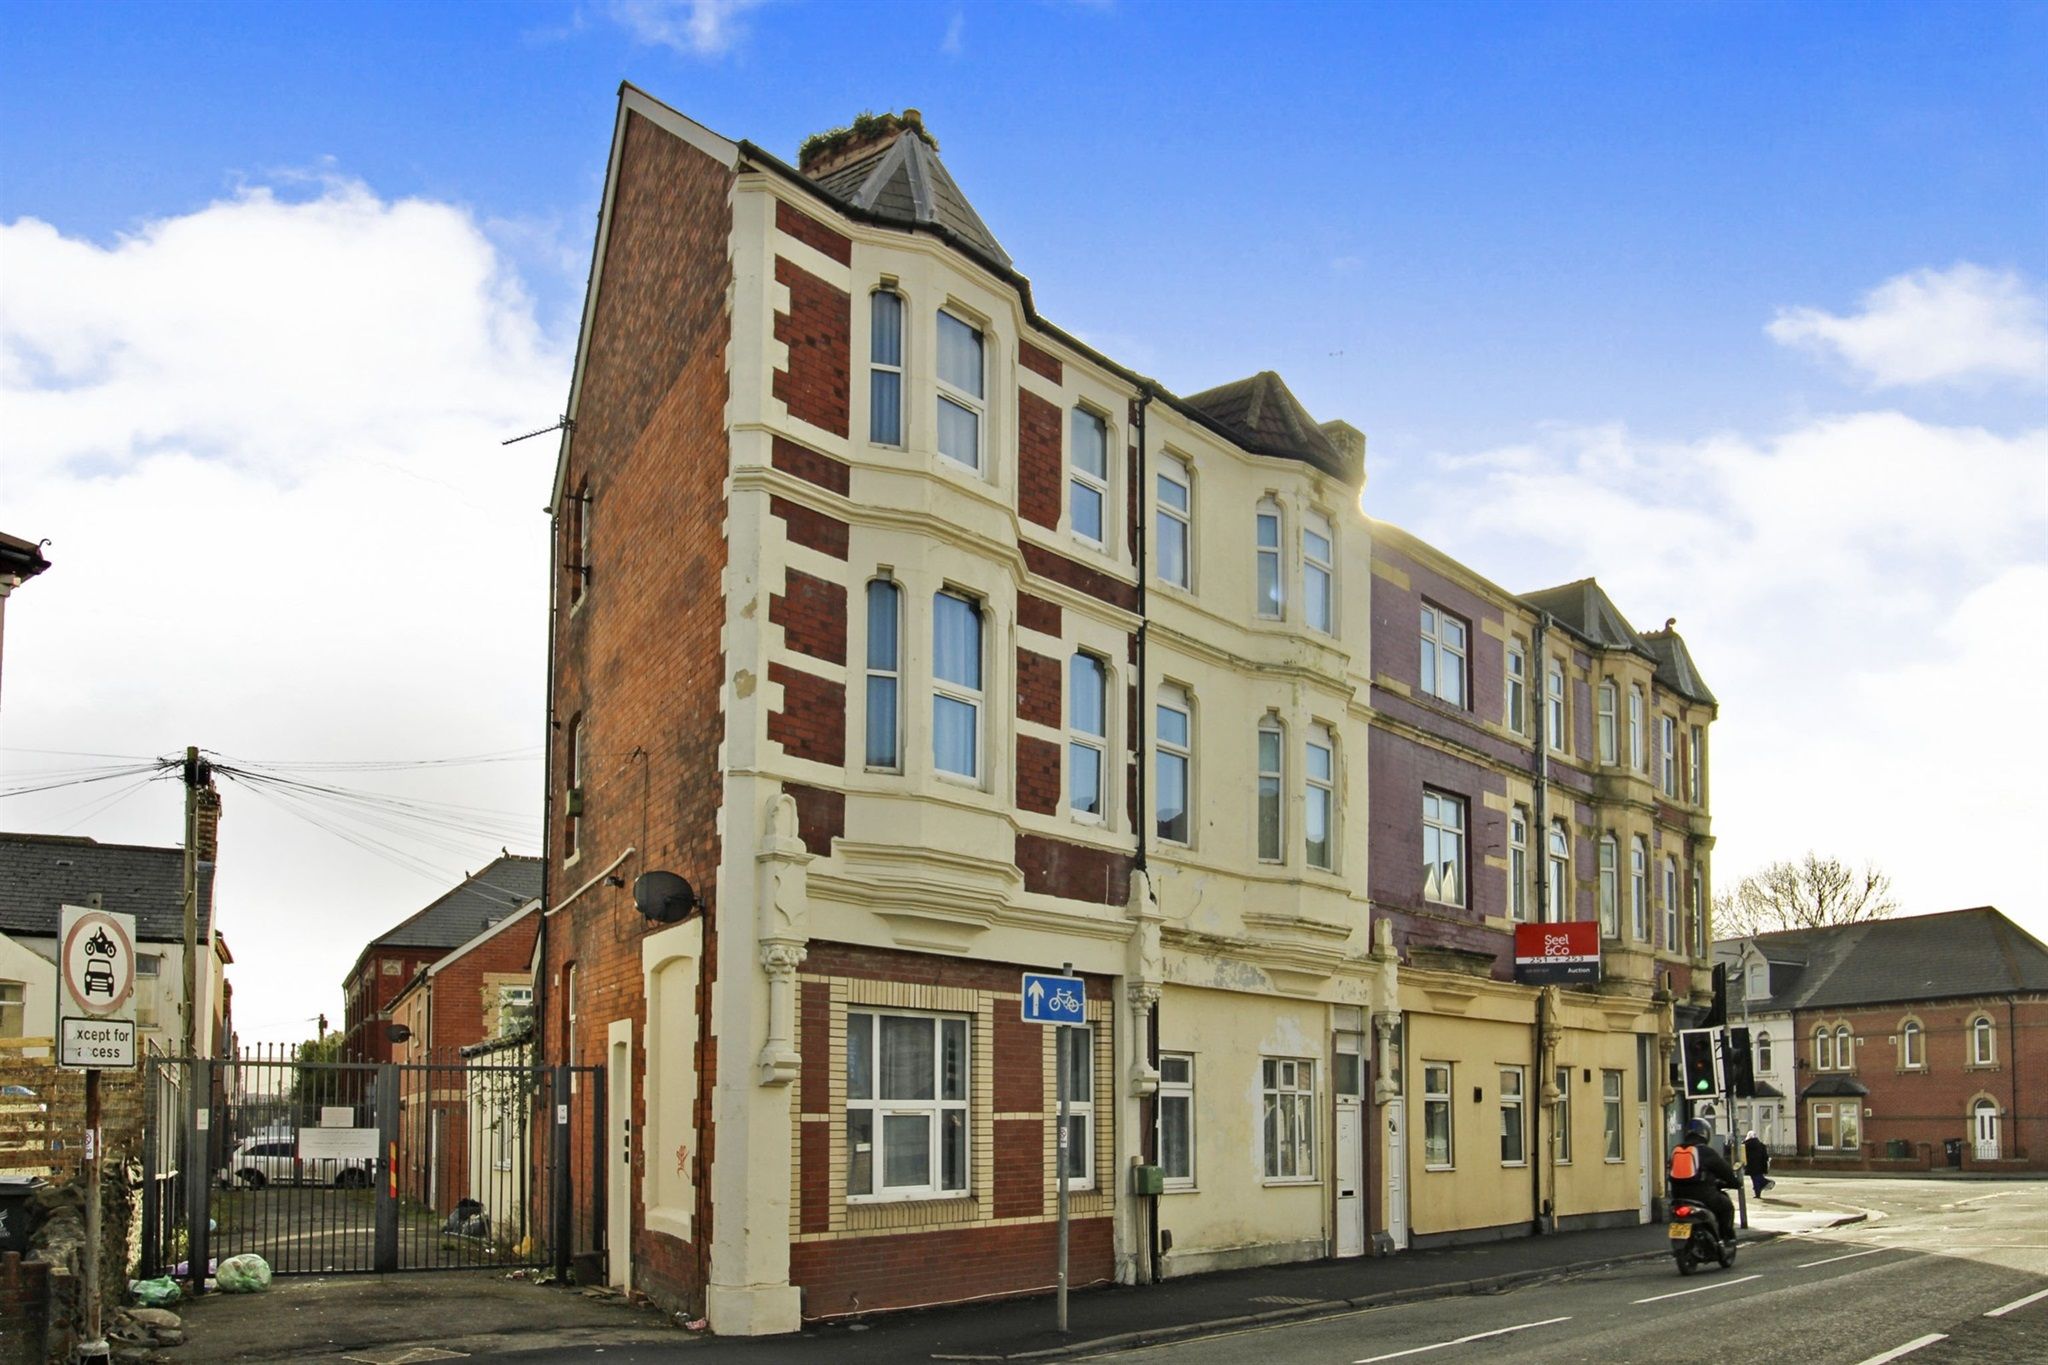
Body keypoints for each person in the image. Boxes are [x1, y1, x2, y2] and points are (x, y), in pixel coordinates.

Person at [1670, 1117, 1740, 1247]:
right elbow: (1724, 1170)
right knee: (1726, 1206)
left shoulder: (1676, 1150)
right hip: (1703, 1197)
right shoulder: (1706, 1151)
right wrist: (1735, 1183)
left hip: (1678, 1196)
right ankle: (1726, 1237)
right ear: (1706, 1134)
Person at [1743, 1129, 1773, 1198]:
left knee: (1755, 1179)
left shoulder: (1746, 1145)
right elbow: (1765, 1156)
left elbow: (1742, 1153)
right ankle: (1761, 1186)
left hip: (1751, 1165)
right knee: (1757, 1177)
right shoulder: (1761, 1145)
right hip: (1760, 1165)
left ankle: (1760, 1189)